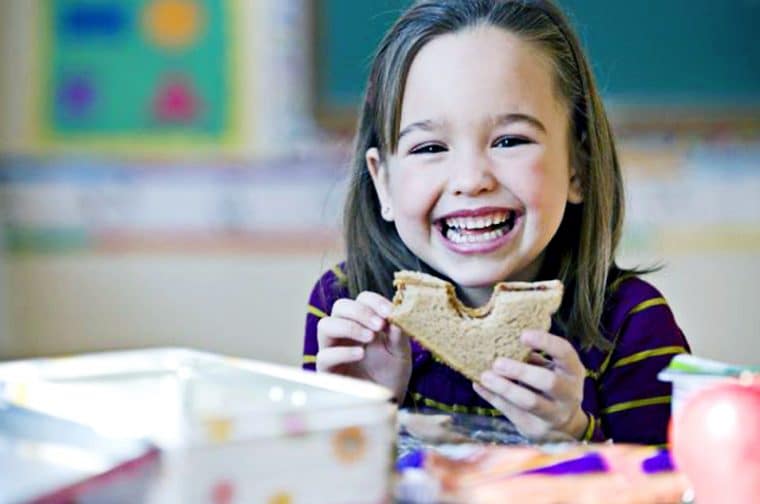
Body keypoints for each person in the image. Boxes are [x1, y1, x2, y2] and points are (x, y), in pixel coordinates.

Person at [302, 0, 689, 445]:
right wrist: (362, 415)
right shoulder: (348, 311)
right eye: (429, 148)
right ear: (383, 183)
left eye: (510, 140)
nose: (471, 180)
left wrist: (575, 436)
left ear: (576, 168)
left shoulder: (631, 325)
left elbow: (671, 488)